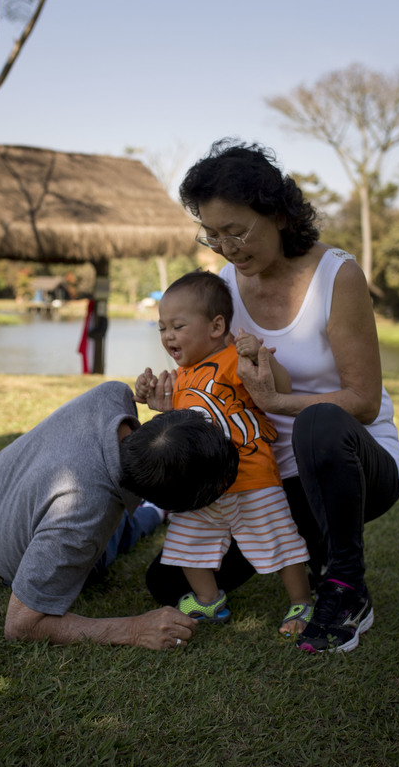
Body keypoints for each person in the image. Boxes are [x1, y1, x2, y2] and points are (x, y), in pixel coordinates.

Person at [145, 139, 399, 655]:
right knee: (168, 584)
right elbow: (210, 378)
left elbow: (364, 401)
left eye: (237, 230)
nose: (227, 247)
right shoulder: (223, 285)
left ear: (280, 214)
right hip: (262, 477)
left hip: (349, 463)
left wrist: (280, 403)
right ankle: (307, 549)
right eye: (213, 234)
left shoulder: (337, 276)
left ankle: (346, 586)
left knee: (318, 422)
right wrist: (170, 397)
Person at [0, 381, 240, 650]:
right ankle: (154, 513)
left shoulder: (114, 395)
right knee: (121, 535)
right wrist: (135, 630)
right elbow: (20, 625)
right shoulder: (83, 519)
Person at [134, 270, 314, 636]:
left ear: (216, 326)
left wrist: (261, 357)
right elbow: (180, 435)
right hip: (202, 488)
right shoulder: (180, 377)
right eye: (162, 328)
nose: (168, 335)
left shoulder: (233, 359)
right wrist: (153, 400)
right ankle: (209, 600)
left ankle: (302, 603)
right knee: (185, 544)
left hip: (252, 480)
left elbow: (282, 388)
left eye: (178, 326)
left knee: (279, 539)